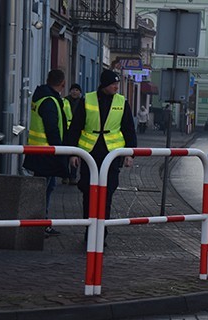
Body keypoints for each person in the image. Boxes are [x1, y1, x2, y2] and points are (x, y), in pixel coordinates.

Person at [65, 70, 137, 242]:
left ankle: (101, 234)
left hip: (111, 155)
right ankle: (89, 232)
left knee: (107, 194)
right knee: (89, 194)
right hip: (90, 154)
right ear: (104, 84)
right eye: (113, 84)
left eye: (117, 84)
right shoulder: (87, 100)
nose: (116, 87)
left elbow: (128, 128)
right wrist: (72, 152)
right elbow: (75, 127)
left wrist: (130, 153)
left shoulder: (121, 102)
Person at [22, 69, 69, 236]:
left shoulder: (41, 96)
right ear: (62, 83)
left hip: (40, 151)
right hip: (47, 152)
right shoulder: (49, 101)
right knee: (44, 189)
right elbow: (52, 129)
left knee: (47, 186)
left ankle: (41, 222)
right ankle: (39, 223)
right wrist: (60, 150)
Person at [62, 83, 82, 185]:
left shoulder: (83, 103)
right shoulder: (64, 101)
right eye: (73, 90)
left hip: (77, 132)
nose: (75, 92)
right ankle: (65, 176)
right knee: (65, 155)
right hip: (66, 131)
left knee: (75, 155)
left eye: (77, 90)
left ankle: (73, 177)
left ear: (80, 92)